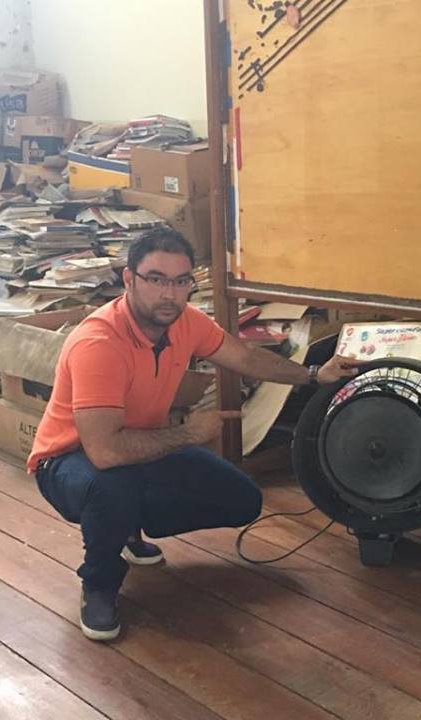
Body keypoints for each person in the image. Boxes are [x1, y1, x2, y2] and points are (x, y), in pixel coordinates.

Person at [27, 227, 360, 641]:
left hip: (139, 445)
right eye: (156, 279)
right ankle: (99, 583)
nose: (169, 294)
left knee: (243, 500)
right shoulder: (99, 343)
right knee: (112, 485)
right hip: (68, 459)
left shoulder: (186, 322)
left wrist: (312, 374)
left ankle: (126, 526)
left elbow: (244, 356)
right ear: (129, 279)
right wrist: (188, 434)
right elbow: (105, 451)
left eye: (180, 281)